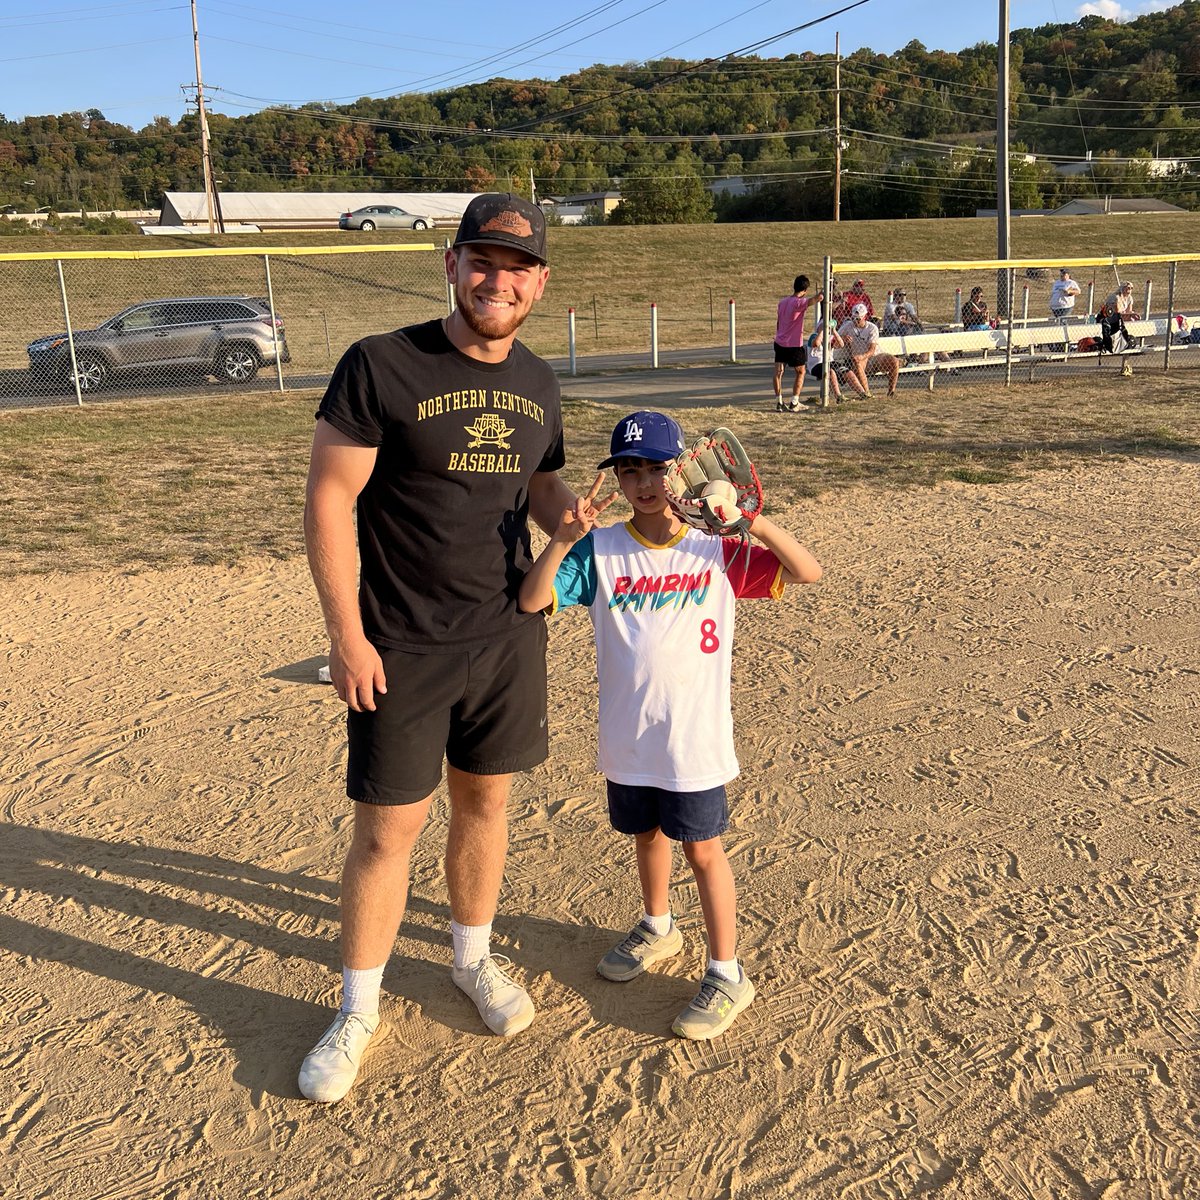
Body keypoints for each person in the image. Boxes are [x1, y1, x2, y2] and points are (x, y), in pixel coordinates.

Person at [298, 193, 591, 1105]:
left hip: (507, 637)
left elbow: (540, 487)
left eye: (517, 268)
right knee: (389, 832)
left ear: (539, 282)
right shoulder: (380, 364)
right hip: (401, 644)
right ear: (453, 267)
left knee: (486, 806)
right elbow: (328, 501)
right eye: (482, 261)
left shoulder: (540, 382)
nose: (497, 281)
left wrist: (573, 523)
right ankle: (357, 1006)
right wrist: (346, 635)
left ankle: (472, 959)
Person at [518, 411, 823, 1040]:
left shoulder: (713, 548)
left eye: (655, 467)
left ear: (679, 469)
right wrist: (562, 538)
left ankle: (727, 972)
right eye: (628, 470)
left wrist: (750, 521)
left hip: (695, 738)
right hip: (631, 736)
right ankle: (657, 925)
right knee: (647, 834)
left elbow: (806, 570)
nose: (643, 481)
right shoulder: (602, 551)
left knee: (703, 850)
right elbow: (530, 600)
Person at [772, 274, 819, 413]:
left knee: (778, 372)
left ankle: (778, 401)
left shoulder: (782, 302)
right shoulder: (799, 302)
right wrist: (823, 294)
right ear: (804, 290)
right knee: (801, 371)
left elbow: (779, 321)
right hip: (793, 344)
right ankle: (794, 401)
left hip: (780, 342)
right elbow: (814, 300)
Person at [835, 302, 879, 398]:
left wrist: (863, 356)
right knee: (857, 362)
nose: (855, 321)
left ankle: (891, 392)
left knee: (893, 361)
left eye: (858, 318)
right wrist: (843, 338)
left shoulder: (872, 328)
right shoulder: (848, 325)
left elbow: (872, 350)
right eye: (853, 318)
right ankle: (866, 393)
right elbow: (835, 339)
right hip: (856, 359)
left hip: (871, 357)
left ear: (864, 317)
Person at [805, 320, 845, 402]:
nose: (826, 328)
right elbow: (816, 343)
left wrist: (834, 331)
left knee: (847, 371)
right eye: (823, 326)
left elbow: (841, 344)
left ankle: (862, 392)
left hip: (830, 362)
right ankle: (838, 396)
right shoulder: (814, 336)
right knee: (830, 372)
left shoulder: (830, 337)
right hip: (816, 364)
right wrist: (822, 330)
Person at [1098, 281, 1138, 353]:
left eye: (1131, 288)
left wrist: (1132, 315)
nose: (1129, 290)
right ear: (1123, 288)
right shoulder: (1116, 297)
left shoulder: (1129, 298)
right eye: (1128, 288)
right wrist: (1130, 314)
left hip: (1122, 316)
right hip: (1111, 317)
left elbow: (1129, 311)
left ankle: (1128, 339)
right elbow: (1117, 312)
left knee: (1132, 318)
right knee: (1126, 318)